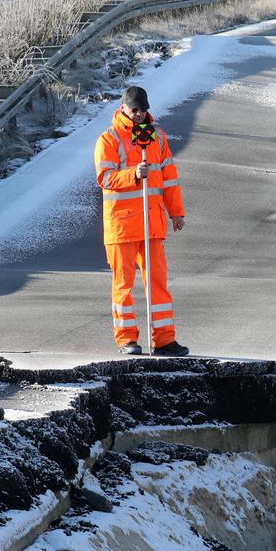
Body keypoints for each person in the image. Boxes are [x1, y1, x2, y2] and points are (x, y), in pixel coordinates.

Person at [94, 85, 189, 356]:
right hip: (121, 226)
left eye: (142, 110)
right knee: (123, 285)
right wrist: (134, 174)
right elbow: (105, 179)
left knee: (158, 282)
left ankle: (164, 340)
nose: (138, 115)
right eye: (134, 110)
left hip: (152, 223)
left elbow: (169, 178)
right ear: (124, 107)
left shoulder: (157, 138)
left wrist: (176, 212)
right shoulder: (109, 139)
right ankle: (127, 339)